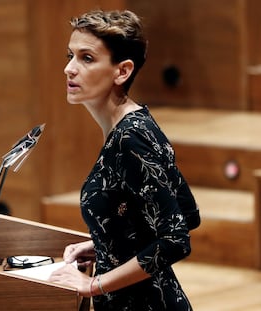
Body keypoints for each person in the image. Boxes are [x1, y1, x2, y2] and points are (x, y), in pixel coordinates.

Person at [48, 9, 200, 310]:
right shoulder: (133, 126)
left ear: (122, 71)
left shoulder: (132, 139)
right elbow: (187, 212)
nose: (69, 68)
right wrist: (104, 245)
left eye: (86, 58)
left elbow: (175, 239)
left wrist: (92, 285)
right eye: (70, 56)